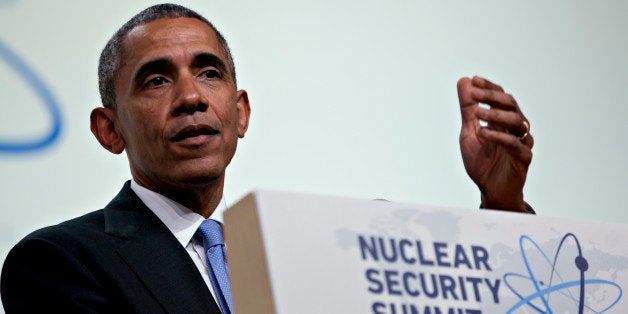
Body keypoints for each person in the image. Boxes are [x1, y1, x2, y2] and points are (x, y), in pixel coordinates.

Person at [0, 3, 533, 313]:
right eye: (157, 79)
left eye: (210, 73)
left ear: (241, 112)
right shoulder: (57, 263)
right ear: (109, 129)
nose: (191, 97)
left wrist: (502, 205)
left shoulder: (315, 249)